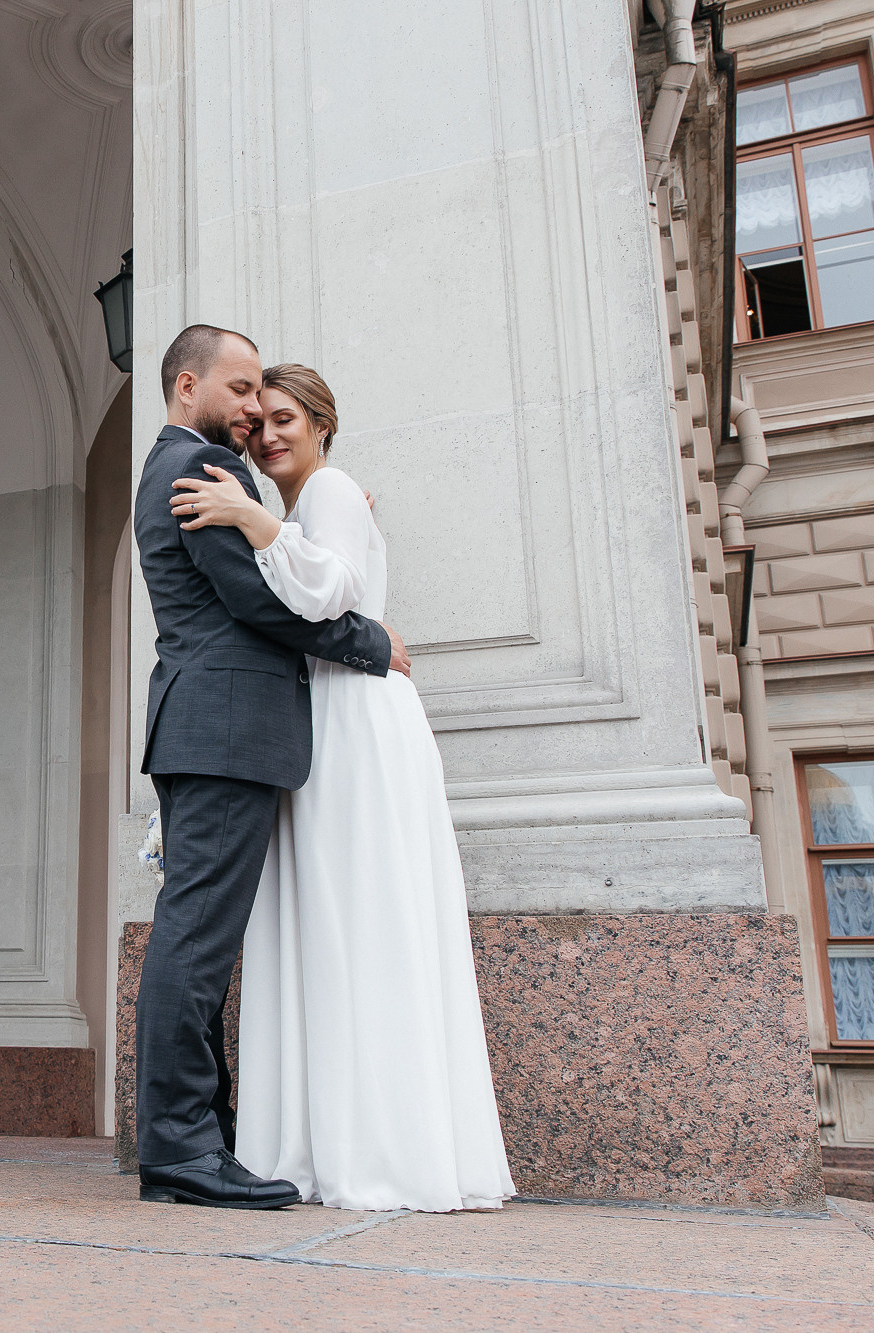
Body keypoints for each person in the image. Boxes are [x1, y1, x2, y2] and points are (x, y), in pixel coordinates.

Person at [170, 363, 514, 1212]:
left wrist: (252, 519)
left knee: (354, 919)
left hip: (354, 716)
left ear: (323, 423)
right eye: (260, 425)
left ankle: (370, 1145)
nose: (270, 434)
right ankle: (359, 1136)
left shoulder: (325, 493)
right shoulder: (317, 505)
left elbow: (329, 594)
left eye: (286, 418)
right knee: (344, 921)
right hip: (333, 712)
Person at [133, 326, 407, 1209]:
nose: (252, 408)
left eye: (263, 395)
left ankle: (194, 1139)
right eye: (241, 388)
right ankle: (180, 1147)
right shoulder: (203, 470)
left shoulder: (193, 466)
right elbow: (256, 601)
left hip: (210, 726)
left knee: (199, 938)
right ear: (187, 385)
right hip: (222, 727)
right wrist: (371, 642)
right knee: (196, 939)